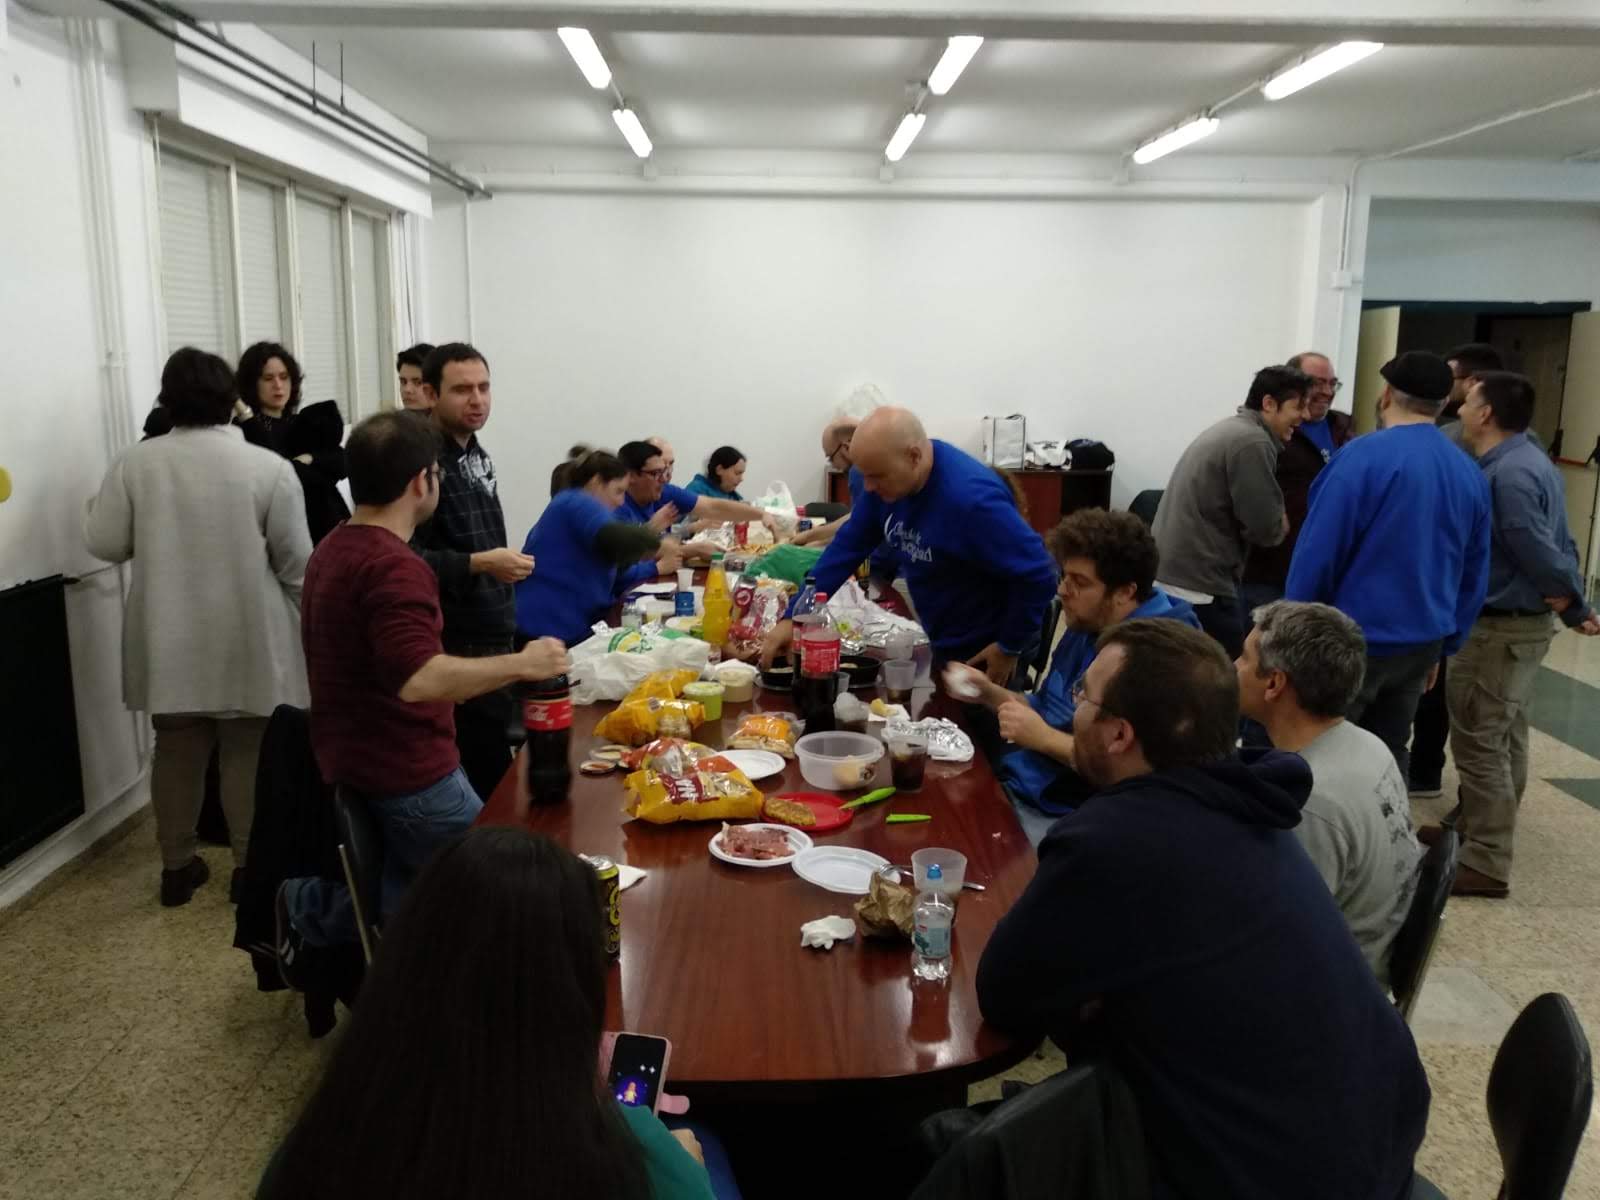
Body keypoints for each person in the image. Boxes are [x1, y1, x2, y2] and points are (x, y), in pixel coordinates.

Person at [976, 620, 1429, 1200]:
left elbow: (1004, 995)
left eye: (1084, 696)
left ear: (1119, 734)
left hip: (1273, 1176)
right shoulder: (1257, 806)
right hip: (1376, 1138)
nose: (1075, 708)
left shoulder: (1114, 839)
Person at [260, 828, 728, 1200]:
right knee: (703, 1139)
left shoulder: (314, 1150)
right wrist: (685, 1167)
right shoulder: (633, 1155)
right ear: (573, 1000)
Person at [280, 411, 569, 959]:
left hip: (352, 757)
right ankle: (314, 910)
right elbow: (419, 679)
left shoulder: (335, 545)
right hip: (408, 771)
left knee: (420, 884)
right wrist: (523, 664)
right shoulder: (395, 566)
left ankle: (317, 909)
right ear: (422, 481)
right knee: (491, 892)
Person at [83, 348, 311, 908]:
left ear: (168, 399)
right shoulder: (267, 468)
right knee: (245, 753)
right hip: (249, 636)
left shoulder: (136, 463)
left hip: (168, 637)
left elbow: (105, 543)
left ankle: (176, 869)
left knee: (176, 749)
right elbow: (297, 566)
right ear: (232, 399)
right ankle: (247, 871)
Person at [1430, 372, 1600, 897]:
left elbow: (1537, 547)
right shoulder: (1528, 461)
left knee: (1480, 740)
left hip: (1499, 627)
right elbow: (1563, 541)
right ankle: (1476, 829)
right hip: (1515, 625)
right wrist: (1569, 596)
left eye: (1468, 402)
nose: (1459, 408)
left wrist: (1571, 601)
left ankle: (1486, 858)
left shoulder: (1508, 475)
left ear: (1485, 414)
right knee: (1504, 734)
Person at [1287, 351, 1491, 781]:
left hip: (1350, 643)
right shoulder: (1467, 472)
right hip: (1421, 643)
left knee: (1322, 751)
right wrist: (1446, 643)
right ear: (1443, 404)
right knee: (1388, 753)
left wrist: (1292, 633)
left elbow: (1318, 555)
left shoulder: (1359, 459)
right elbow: (1474, 572)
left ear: (1385, 396)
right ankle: (1387, 825)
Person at [947, 509, 1198, 846]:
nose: (1063, 590)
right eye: (1064, 576)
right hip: (1030, 782)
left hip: (1077, 812)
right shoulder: (1089, 622)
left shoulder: (1161, 659)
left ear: (1124, 592)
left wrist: (1043, 738)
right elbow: (1048, 706)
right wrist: (987, 693)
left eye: (1080, 582)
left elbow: (1135, 772)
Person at [759, 408, 1057, 684]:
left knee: (982, 721)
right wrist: (795, 617)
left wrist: (1009, 646)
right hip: (944, 633)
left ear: (914, 456)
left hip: (989, 641)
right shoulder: (886, 479)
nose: (868, 488)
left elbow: (1039, 572)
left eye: (876, 477)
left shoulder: (970, 500)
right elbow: (845, 548)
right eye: (864, 477)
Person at [1236, 601, 1421, 983]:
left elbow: (1279, 944)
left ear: (1274, 684)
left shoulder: (1311, 801)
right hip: (1365, 953)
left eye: (1243, 658)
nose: (1233, 667)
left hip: (1331, 988)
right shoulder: (1368, 744)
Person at [410, 343, 535, 803]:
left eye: (484, 388)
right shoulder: (420, 461)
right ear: (430, 393)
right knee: (487, 789)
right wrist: (481, 562)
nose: (477, 400)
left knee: (499, 778)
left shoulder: (476, 452)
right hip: (455, 646)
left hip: (494, 634)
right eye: (462, 390)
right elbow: (404, 558)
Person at [1152, 365, 1308, 658]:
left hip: (1178, 576)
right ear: (1269, 403)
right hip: (1201, 585)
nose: (1305, 416)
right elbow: (1266, 528)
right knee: (1229, 670)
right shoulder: (1253, 442)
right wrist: (1280, 521)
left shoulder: (1233, 430)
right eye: (1298, 406)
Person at [1409, 343, 1507, 797]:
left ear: (1473, 384)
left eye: (1452, 378)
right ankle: (1429, 773)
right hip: (1460, 592)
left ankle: (1427, 773)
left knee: (1453, 704)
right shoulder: (1514, 448)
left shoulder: (1463, 448)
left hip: (1459, 591)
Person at [516, 451, 673, 645]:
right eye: (618, 491)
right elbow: (619, 538)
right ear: (596, 482)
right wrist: (659, 543)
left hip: (569, 627)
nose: (621, 501)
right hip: (547, 631)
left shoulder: (578, 510)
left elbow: (616, 569)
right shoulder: (575, 501)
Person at [1240, 352, 1354, 617]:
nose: (1327, 392)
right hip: (1269, 570)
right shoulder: (1267, 434)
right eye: (1317, 383)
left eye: (1332, 383)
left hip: (1326, 568)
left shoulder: (1343, 427)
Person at [234, 342, 351, 545]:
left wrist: (310, 458)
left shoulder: (302, 422)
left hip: (328, 525)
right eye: (268, 378)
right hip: (284, 531)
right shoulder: (244, 429)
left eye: (284, 377)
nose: (278, 385)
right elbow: (280, 471)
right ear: (252, 383)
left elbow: (341, 461)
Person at [615, 440, 777, 565]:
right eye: (655, 473)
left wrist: (761, 514)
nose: (664, 479)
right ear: (631, 476)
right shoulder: (616, 506)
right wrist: (690, 549)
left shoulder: (665, 492)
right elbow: (626, 561)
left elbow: (713, 507)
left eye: (665, 470)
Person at [396, 342, 436, 413]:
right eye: (403, 382)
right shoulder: (391, 419)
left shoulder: (453, 418)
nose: (407, 390)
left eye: (418, 382)